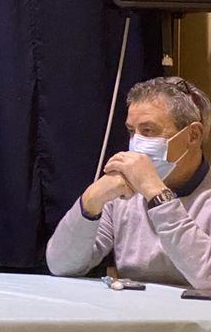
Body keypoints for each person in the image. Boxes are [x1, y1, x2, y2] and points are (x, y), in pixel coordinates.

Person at [46, 76, 211, 289]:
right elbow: (61, 265)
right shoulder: (123, 194)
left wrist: (157, 194)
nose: (136, 143)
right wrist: (90, 201)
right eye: (132, 131)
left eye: (148, 131)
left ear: (193, 135)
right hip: (134, 309)